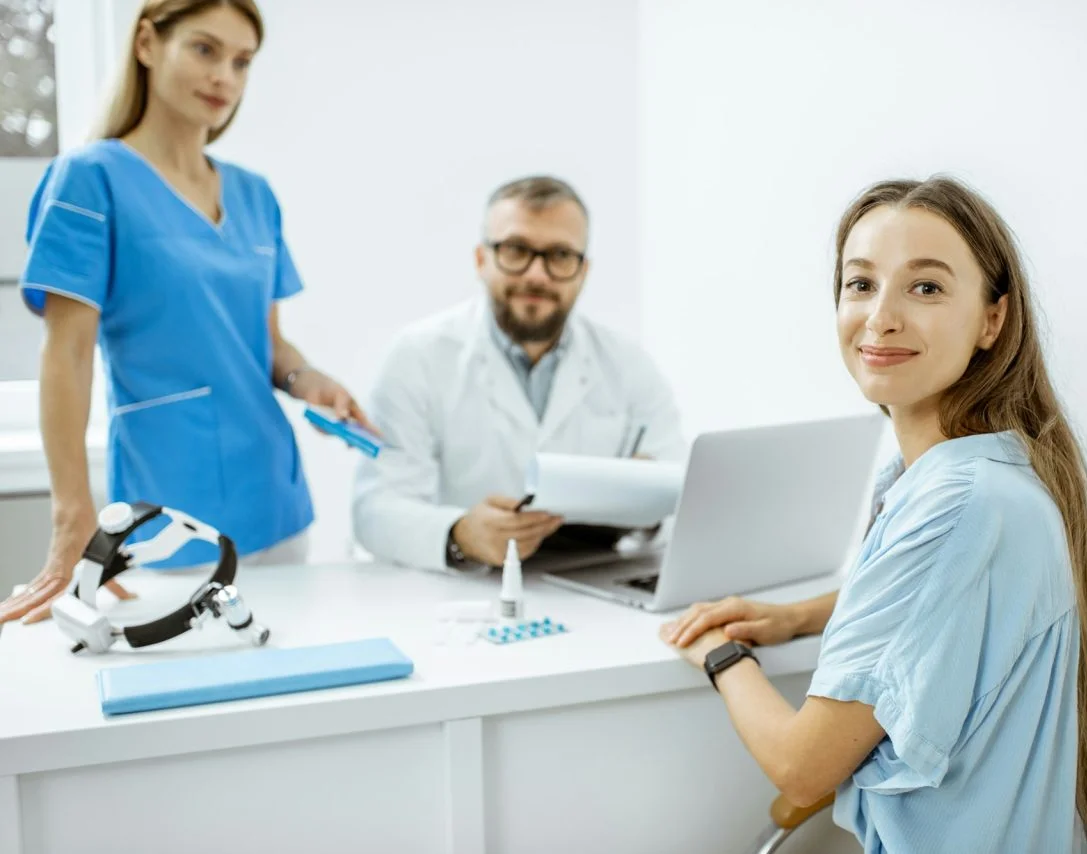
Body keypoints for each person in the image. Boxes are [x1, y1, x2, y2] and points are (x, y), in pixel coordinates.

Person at [661, 177, 1087, 852]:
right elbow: (938, 601)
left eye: (926, 288)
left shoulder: (960, 506)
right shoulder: (966, 476)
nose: (881, 317)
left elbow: (802, 769)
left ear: (992, 320)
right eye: (860, 284)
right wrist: (796, 617)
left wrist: (717, 652)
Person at [0, 0, 372, 626]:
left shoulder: (255, 195)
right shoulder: (90, 179)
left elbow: (266, 342)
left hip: (278, 505)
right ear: (147, 43)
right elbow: (66, 355)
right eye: (205, 49)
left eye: (242, 61)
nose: (225, 76)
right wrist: (73, 518)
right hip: (167, 520)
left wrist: (310, 381)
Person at [352, 176, 685, 572]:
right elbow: (376, 508)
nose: (537, 275)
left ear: (583, 271)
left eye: (560, 255)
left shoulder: (628, 364)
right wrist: (459, 535)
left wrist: (645, 499)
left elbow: (683, 489)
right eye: (516, 250)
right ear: (481, 259)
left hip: (590, 579)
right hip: (461, 594)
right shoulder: (417, 357)